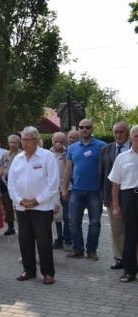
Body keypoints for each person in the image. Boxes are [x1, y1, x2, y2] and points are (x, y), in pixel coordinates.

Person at [8, 126, 59, 285]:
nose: (24, 143)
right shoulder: (18, 158)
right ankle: (29, 270)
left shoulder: (47, 156)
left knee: (44, 242)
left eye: (28, 140)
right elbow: (11, 183)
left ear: (36, 140)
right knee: (25, 240)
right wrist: (19, 200)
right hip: (22, 207)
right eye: (23, 140)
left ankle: (48, 273)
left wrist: (38, 200)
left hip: (42, 207)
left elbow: (53, 182)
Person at [62, 119, 106, 260]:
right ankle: (78, 249)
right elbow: (68, 169)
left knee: (95, 222)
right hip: (76, 190)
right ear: (79, 129)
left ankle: (91, 250)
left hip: (95, 191)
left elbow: (107, 169)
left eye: (87, 127)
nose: (84, 129)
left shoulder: (102, 146)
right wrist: (64, 188)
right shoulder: (73, 148)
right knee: (73, 221)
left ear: (92, 129)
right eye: (82, 127)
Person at [108, 125, 138, 283]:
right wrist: (116, 206)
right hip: (129, 197)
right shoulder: (122, 158)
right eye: (136, 136)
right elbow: (115, 184)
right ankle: (129, 271)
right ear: (130, 138)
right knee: (130, 235)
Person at [99, 121, 130, 270]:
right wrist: (102, 195)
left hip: (131, 195)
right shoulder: (106, 149)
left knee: (132, 228)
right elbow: (101, 174)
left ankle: (134, 258)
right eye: (116, 132)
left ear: (128, 133)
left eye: (121, 132)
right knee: (116, 229)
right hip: (112, 196)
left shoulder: (134, 147)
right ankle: (119, 258)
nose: (118, 135)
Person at [49, 132, 72, 250]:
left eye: (61, 142)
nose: (58, 144)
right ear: (52, 140)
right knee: (55, 215)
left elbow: (69, 168)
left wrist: (63, 154)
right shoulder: (47, 153)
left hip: (65, 188)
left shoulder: (68, 152)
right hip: (52, 190)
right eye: (56, 141)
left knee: (67, 216)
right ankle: (57, 239)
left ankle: (68, 240)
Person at [1, 134, 22, 235]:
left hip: (19, 183)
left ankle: (22, 226)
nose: (13, 144)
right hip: (7, 182)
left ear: (19, 143)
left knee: (19, 204)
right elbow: (1, 168)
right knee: (7, 205)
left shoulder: (22, 154)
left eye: (15, 142)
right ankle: (10, 226)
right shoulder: (5, 155)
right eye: (11, 142)